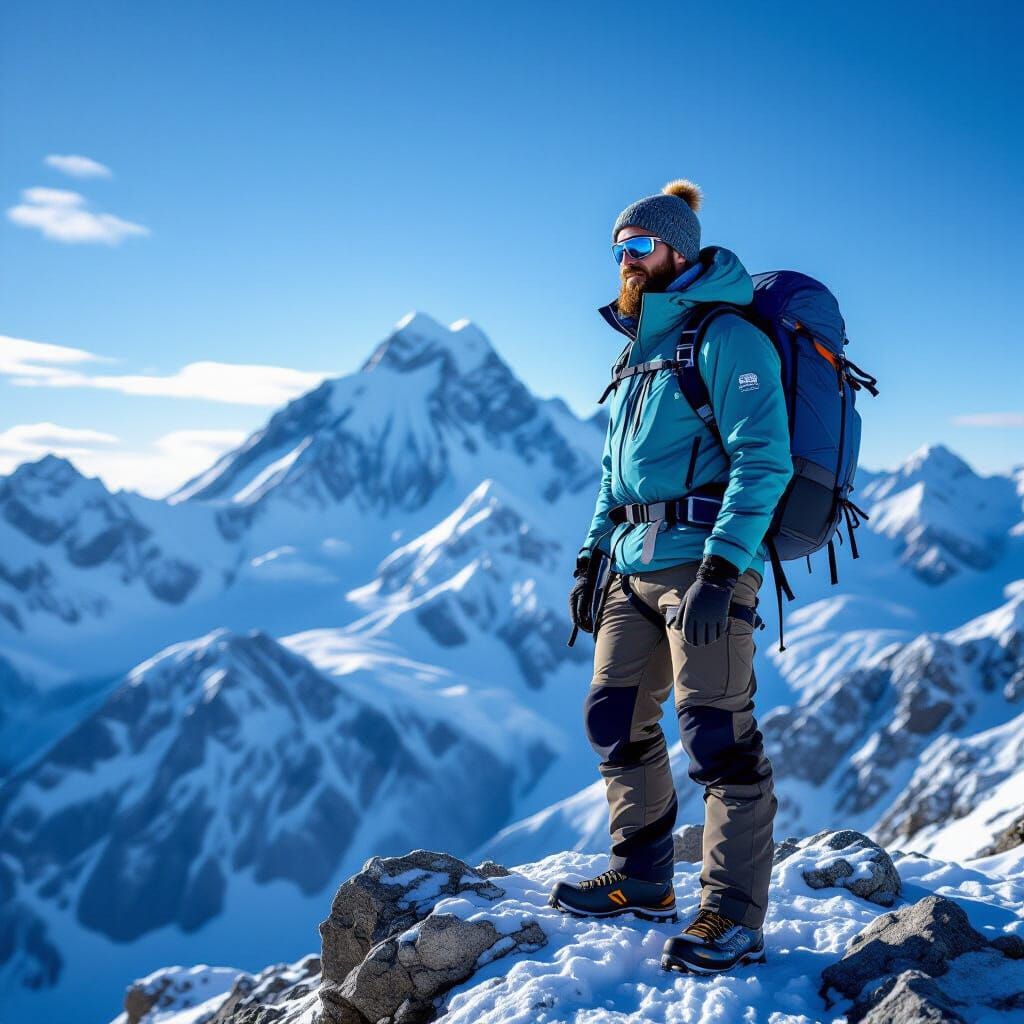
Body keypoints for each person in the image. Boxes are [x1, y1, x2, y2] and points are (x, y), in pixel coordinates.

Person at [550, 180, 794, 975]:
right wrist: (592, 556)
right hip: (630, 567)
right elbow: (611, 478)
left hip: (702, 566)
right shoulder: (635, 353)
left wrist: (724, 568)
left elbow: (765, 461)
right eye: (617, 248)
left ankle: (731, 914)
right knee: (612, 721)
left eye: (637, 247)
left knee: (719, 740)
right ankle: (647, 876)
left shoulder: (727, 338)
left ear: (677, 251)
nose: (624, 261)